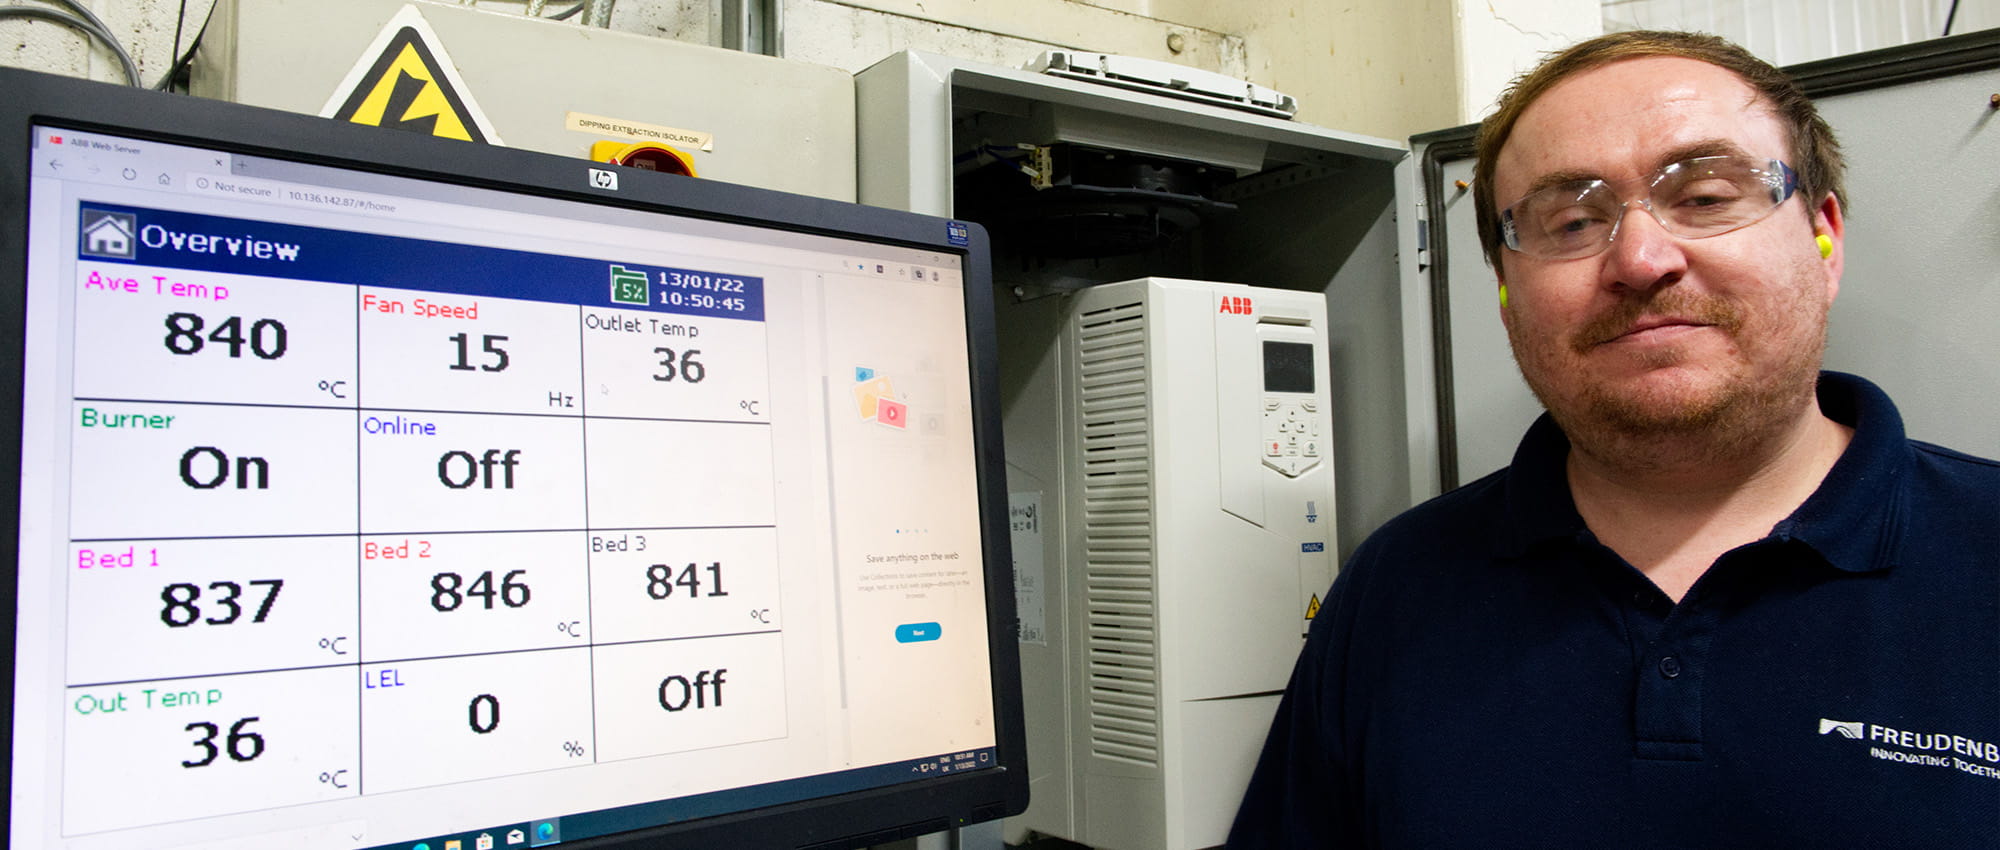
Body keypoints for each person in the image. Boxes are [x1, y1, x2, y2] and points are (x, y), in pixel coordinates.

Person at [1227, 30, 1999, 848]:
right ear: (1505, 292)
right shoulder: (1396, 588)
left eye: (1704, 196)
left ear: (1826, 238)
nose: (1639, 258)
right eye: (1569, 221)